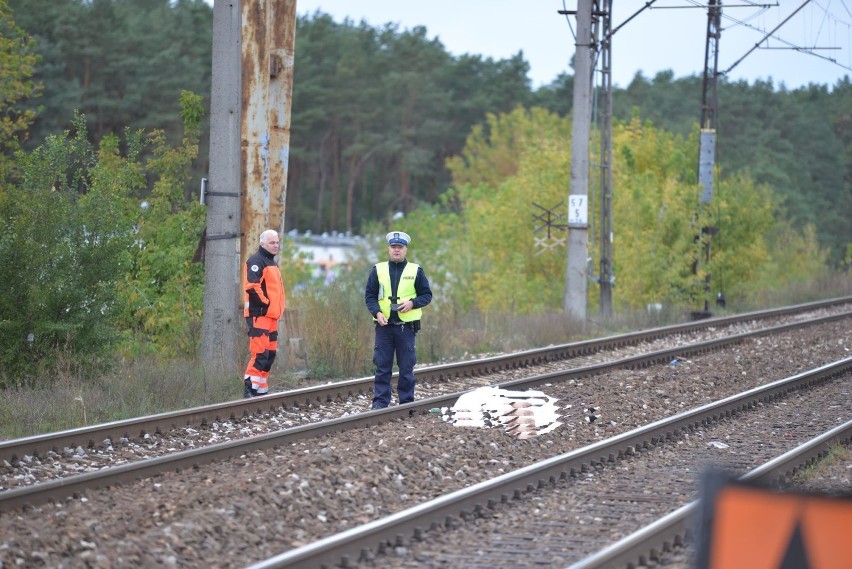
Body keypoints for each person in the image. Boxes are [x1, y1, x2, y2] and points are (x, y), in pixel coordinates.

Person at [364, 230, 432, 409]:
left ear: (405, 250)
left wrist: (413, 303)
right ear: (388, 249)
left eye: (400, 247)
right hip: (384, 326)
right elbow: (370, 296)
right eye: (393, 247)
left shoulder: (415, 270)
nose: (396, 250)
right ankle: (380, 404)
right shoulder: (377, 270)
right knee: (382, 367)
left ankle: (407, 403)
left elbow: (427, 295)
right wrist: (376, 312)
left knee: (406, 368)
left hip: (406, 328)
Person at [243, 229, 286, 398]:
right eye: (272, 243)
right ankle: (249, 390)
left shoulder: (271, 262)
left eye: (277, 242)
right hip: (260, 315)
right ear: (263, 244)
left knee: (269, 355)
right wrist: (266, 304)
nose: (276, 245)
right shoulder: (256, 261)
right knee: (260, 353)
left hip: (272, 317)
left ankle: (261, 391)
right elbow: (252, 286)